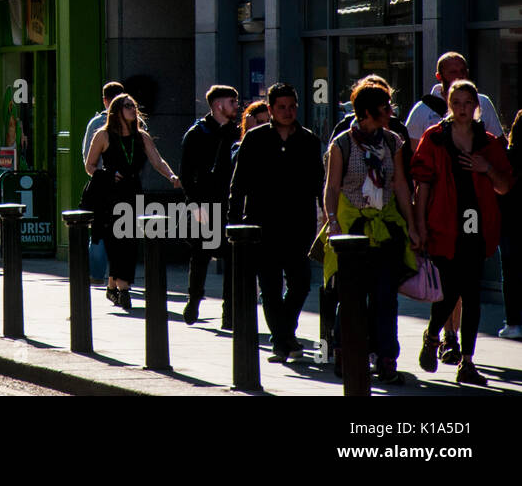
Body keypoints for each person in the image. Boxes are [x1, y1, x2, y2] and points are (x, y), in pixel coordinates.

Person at [412, 79, 513, 385]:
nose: (462, 109)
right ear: (449, 104)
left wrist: (487, 168)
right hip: (443, 224)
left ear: (476, 106)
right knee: (448, 289)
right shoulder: (435, 138)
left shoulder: (488, 141)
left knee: (470, 293)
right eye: (457, 103)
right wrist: (418, 225)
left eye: (468, 103)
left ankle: (467, 361)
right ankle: (433, 336)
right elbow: (422, 186)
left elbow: (504, 186)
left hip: (475, 223)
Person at [321, 81, 420, 384]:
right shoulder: (342, 144)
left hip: (386, 228)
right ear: (366, 112)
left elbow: (401, 185)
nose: (391, 111)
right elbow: (332, 186)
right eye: (385, 107)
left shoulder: (393, 142)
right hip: (352, 231)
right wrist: (333, 221)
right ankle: (345, 352)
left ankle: (387, 359)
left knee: (386, 298)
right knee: (352, 296)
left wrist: (413, 226)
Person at [227, 83, 322, 362]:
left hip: (298, 224)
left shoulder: (308, 140)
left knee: (301, 283)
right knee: (269, 287)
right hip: (262, 225)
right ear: (270, 109)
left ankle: (283, 333)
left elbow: (318, 182)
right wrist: (235, 222)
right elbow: (239, 182)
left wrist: (325, 216)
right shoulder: (255, 139)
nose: (288, 112)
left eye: (292, 106)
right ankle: (283, 341)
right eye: (281, 107)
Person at [85, 93, 182, 309]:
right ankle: (124, 289)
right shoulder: (103, 135)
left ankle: (114, 284)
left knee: (129, 241)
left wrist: (171, 176)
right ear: (117, 110)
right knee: (116, 240)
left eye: (134, 106)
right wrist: (108, 174)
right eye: (128, 106)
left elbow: (157, 161)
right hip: (109, 193)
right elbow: (89, 166)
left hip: (132, 191)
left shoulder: (142, 137)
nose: (132, 109)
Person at [179, 85, 240, 327]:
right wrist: (194, 205)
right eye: (232, 101)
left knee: (233, 259)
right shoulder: (197, 133)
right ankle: (194, 300)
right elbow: (186, 174)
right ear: (218, 105)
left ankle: (229, 313)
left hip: (230, 205)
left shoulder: (236, 133)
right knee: (201, 256)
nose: (236, 105)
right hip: (205, 204)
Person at [406, 52, 503, 140]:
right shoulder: (422, 109)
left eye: (463, 71)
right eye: (453, 72)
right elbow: (413, 149)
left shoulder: (482, 102)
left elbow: (499, 141)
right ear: (439, 76)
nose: (460, 76)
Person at [502, 111, 522, 340]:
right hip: (510, 221)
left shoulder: (508, 156)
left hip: (510, 221)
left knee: (510, 272)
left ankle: (513, 322)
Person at [82, 81, 127, 167]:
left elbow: (87, 155)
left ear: (104, 100)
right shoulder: (135, 121)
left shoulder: (96, 123)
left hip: (104, 176)